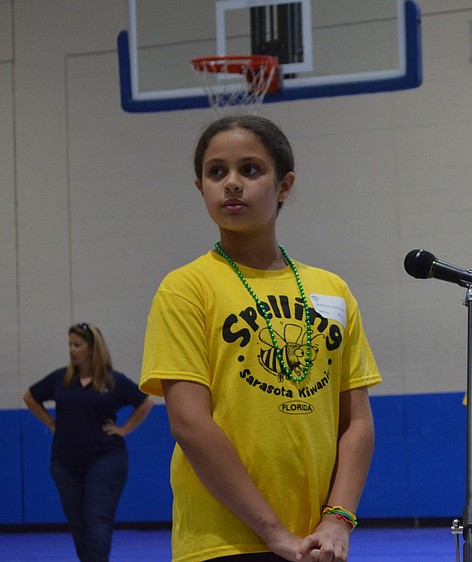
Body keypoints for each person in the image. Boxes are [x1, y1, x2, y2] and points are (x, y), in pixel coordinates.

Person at [139, 116, 382, 562]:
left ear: (284, 185)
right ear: (200, 188)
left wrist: (337, 519)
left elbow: (357, 422)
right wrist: (274, 533)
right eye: (217, 172)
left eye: (249, 169)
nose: (232, 183)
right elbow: (189, 423)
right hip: (222, 543)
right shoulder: (185, 288)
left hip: (317, 542)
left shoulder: (333, 290)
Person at [23, 322, 154, 562]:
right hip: (65, 461)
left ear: (92, 348)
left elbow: (146, 402)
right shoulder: (61, 379)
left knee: (98, 519)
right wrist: (51, 423)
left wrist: (124, 429)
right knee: (77, 522)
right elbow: (30, 397)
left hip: (105, 458)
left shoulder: (112, 381)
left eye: (77, 345)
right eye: (70, 345)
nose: (72, 350)